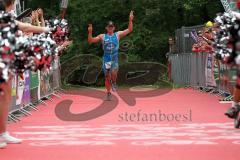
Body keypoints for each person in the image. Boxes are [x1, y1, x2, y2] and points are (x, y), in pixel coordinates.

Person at [0, 0, 52, 149]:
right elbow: (25, 26)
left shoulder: (7, 20)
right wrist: (45, 30)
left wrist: (45, 30)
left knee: (6, 95)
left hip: (5, 61)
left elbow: (25, 26)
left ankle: (2, 133)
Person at [88, 11, 134, 101]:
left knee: (114, 73)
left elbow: (129, 29)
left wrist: (130, 20)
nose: (110, 28)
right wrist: (90, 32)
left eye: (112, 26)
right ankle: (108, 92)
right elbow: (91, 41)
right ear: (106, 28)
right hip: (106, 58)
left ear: (114, 28)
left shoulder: (117, 34)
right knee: (107, 76)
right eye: (109, 27)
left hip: (114, 57)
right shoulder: (102, 36)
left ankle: (114, 82)